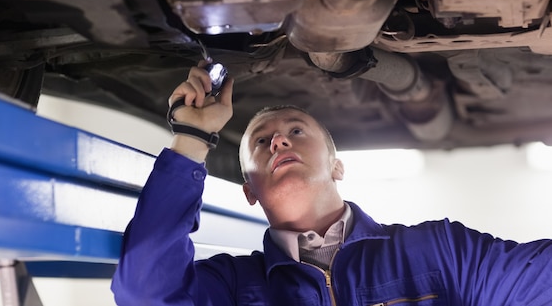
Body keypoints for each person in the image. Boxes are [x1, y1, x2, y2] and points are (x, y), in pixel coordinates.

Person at [111, 65, 552, 306]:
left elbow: (537, 281)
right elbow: (145, 293)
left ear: (337, 166)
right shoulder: (234, 286)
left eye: (297, 131)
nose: (279, 139)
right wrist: (191, 139)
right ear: (250, 191)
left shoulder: (436, 250)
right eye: (261, 142)